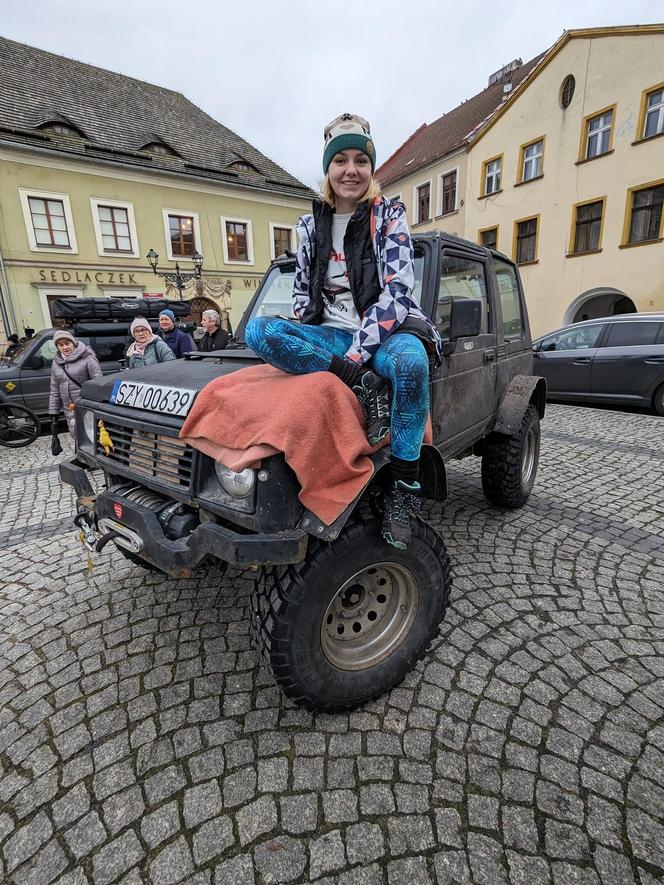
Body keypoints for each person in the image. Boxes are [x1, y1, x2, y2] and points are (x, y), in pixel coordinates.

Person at [245, 113, 441, 549]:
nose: (350, 170)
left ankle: (403, 492)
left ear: (371, 169)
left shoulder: (388, 215)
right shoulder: (310, 226)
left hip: (388, 331)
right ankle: (363, 386)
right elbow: (300, 295)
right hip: (332, 334)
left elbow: (397, 292)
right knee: (260, 332)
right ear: (328, 170)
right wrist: (320, 330)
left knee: (411, 364)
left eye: (360, 160)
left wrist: (355, 357)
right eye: (340, 161)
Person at [48, 330, 102, 436]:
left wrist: (95, 405)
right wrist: (53, 411)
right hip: (69, 408)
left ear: (73, 343)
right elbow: (55, 388)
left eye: (67, 343)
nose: (65, 347)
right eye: (61, 345)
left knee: (93, 437)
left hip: (86, 406)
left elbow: (98, 382)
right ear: (57, 347)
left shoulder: (87, 357)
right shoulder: (56, 363)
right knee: (77, 436)